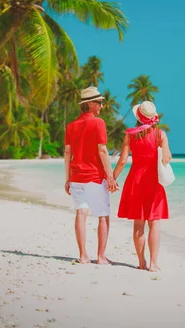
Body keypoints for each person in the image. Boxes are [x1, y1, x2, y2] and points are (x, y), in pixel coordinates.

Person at [113, 101, 172, 272]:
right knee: (154, 222)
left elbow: (123, 160)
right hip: (153, 181)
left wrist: (112, 178)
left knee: (138, 224)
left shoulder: (130, 135)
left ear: (138, 117)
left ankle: (141, 262)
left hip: (135, 181)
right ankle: (154, 264)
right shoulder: (160, 134)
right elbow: (166, 158)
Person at [64, 87, 118, 264]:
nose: (102, 105)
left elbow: (67, 152)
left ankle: (83, 256)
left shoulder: (71, 126)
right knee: (102, 216)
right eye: (100, 102)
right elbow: (102, 150)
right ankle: (101, 257)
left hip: (76, 177)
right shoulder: (98, 123)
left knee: (81, 213)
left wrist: (67, 178)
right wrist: (110, 176)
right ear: (91, 104)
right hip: (94, 176)